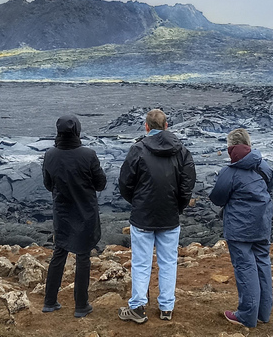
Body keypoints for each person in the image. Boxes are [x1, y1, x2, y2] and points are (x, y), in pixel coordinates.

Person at [117, 109, 196, 324]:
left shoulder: (138, 149)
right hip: (169, 215)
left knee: (141, 263)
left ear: (146, 127)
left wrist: (137, 202)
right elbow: (187, 184)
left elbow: (125, 182)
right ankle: (166, 308)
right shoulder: (181, 151)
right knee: (168, 262)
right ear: (167, 125)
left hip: (143, 215)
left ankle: (138, 306)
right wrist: (177, 206)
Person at [42, 115, 107, 318]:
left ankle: (49, 302)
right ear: (77, 131)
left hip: (62, 213)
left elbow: (48, 184)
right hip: (85, 212)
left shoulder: (50, 155)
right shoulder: (88, 155)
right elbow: (100, 184)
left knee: (58, 254)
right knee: (83, 256)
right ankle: (81, 305)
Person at [209, 128, 273, 328]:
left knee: (245, 268)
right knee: (262, 264)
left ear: (231, 149)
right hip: (262, 224)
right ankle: (263, 313)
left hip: (239, 229)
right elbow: (269, 187)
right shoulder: (264, 167)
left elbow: (218, 197)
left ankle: (247, 315)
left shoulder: (230, 172)